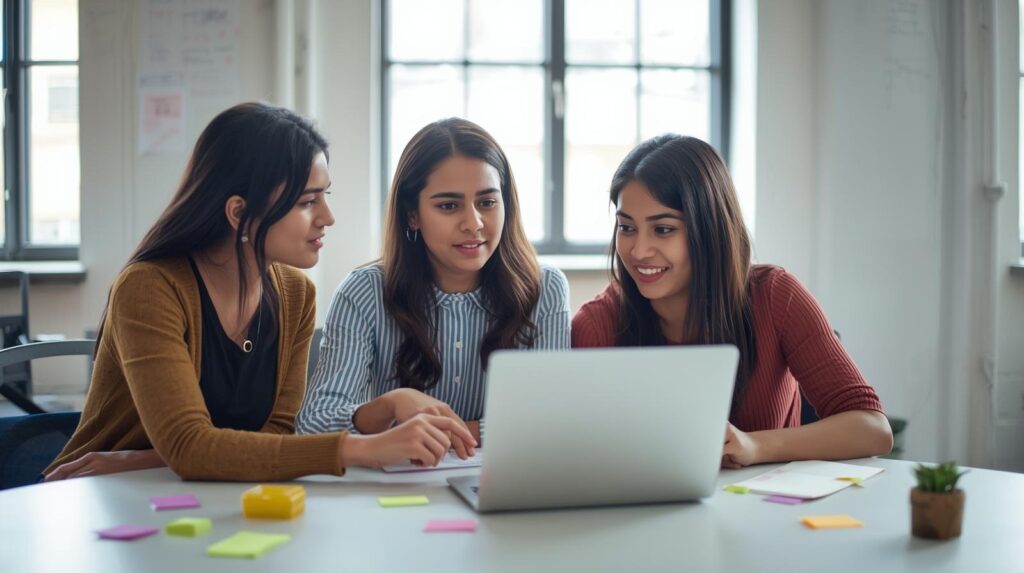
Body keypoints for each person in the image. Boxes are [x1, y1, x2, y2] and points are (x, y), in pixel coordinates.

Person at [45, 103, 473, 481]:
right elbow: (189, 445)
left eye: (325, 196)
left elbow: (275, 434)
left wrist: (147, 460)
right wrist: (363, 447)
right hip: (96, 495)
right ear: (239, 212)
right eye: (308, 202)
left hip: (200, 492)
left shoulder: (295, 295)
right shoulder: (150, 288)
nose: (328, 217)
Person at [572, 134, 893, 468]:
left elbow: (872, 428)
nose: (638, 251)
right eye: (626, 228)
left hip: (768, 509)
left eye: (663, 230)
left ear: (709, 229)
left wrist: (756, 446)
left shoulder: (775, 297)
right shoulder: (597, 324)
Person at [298, 118, 570, 452]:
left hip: (503, 484)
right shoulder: (364, 292)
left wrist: (445, 432)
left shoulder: (546, 288)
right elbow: (312, 425)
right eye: (448, 206)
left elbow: (554, 420)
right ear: (412, 215)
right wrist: (389, 405)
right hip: (399, 488)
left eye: (487, 202)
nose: (473, 223)